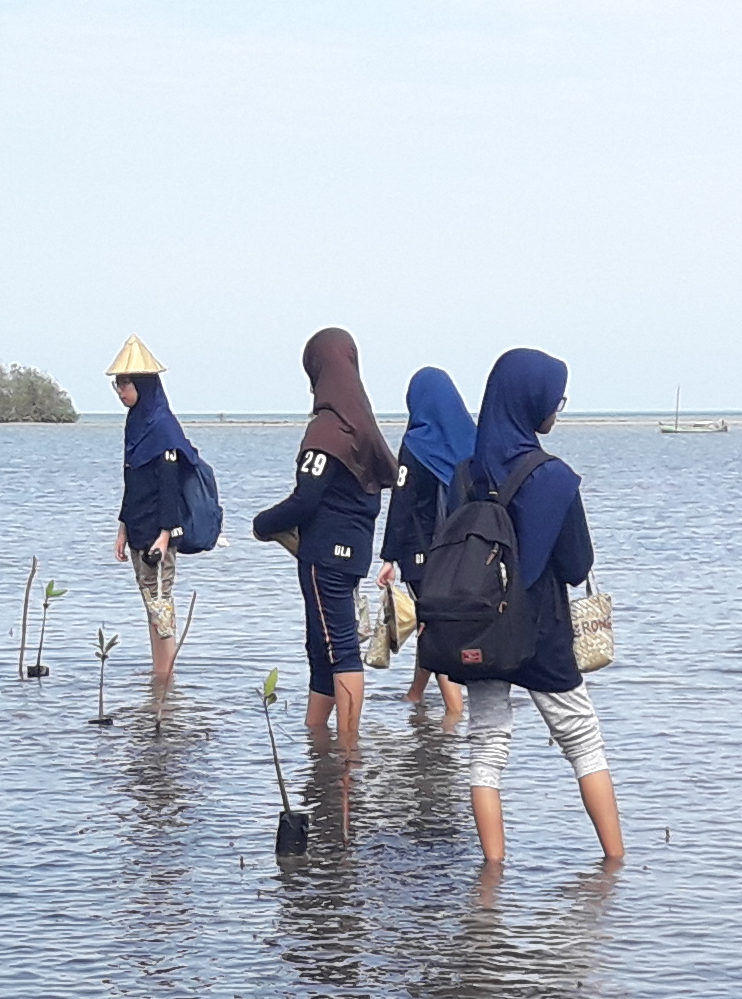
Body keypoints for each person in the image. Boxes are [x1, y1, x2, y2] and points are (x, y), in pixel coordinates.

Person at [437, 348, 624, 870]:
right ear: (532, 401)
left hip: (480, 629)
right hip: (541, 631)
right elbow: (574, 564)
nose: (557, 408)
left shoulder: (465, 474)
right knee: (583, 742)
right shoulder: (554, 478)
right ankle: (614, 866)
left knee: (486, 748)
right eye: (555, 398)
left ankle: (492, 873)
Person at [249, 328, 395, 755]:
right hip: (354, 554)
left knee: (341, 649)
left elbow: (306, 499)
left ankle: (348, 752)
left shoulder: (326, 429)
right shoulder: (361, 425)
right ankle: (317, 740)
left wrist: (262, 523)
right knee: (322, 646)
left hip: (325, 556)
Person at [379, 365, 474, 728]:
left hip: (423, 553)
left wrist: (388, 557)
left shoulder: (416, 444)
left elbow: (401, 504)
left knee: (435, 630)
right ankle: (415, 695)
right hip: (464, 551)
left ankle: (453, 712)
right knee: (431, 623)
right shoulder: (471, 441)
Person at [110, 335, 193, 696]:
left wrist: (165, 535)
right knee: (149, 603)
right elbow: (132, 480)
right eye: (117, 384)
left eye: (124, 384)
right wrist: (123, 529)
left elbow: (170, 486)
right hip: (138, 528)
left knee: (162, 605)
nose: (120, 391)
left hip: (160, 534)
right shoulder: (135, 424)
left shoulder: (163, 427)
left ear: (142, 384)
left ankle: (165, 679)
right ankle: (158, 675)